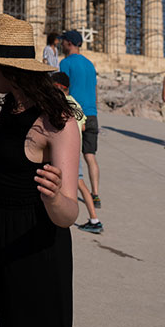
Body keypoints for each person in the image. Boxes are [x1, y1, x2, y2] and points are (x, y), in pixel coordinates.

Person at [0, 14, 79, 327]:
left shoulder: (56, 123)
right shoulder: (13, 107)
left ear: (8, 68)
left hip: (35, 245)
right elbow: (0, 136)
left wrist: (55, 196)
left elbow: (68, 213)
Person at [52, 72, 102, 234]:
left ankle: (94, 219)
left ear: (58, 88)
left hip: (65, 151)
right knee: (76, 185)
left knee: (77, 185)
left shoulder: (60, 104)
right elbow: (83, 126)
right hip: (75, 150)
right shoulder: (75, 103)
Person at [59, 30, 102, 207]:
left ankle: (68, 192)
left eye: (63, 41)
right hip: (92, 114)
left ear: (69, 43)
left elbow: (62, 89)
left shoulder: (66, 63)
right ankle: (96, 194)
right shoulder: (90, 64)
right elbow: (95, 89)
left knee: (70, 155)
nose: (61, 44)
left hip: (75, 115)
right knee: (90, 156)